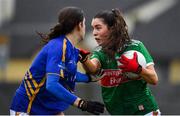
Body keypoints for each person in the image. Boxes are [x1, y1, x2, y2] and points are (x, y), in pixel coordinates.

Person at [10, 6, 104, 115]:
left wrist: (89, 78)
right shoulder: (58, 47)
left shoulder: (71, 49)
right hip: (28, 107)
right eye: (84, 23)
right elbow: (52, 85)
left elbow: (67, 74)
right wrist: (82, 103)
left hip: (46, 106)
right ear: (79, 25)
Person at [79, 8, 160, 115]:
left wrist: (138, 69)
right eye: (93, 28)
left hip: (144, 110)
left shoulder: (136, 46)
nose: (94, 33)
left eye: (98, 28)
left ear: (112, 29)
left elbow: (154, 79)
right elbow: (93, 68)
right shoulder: (99, 51)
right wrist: (85, 60)